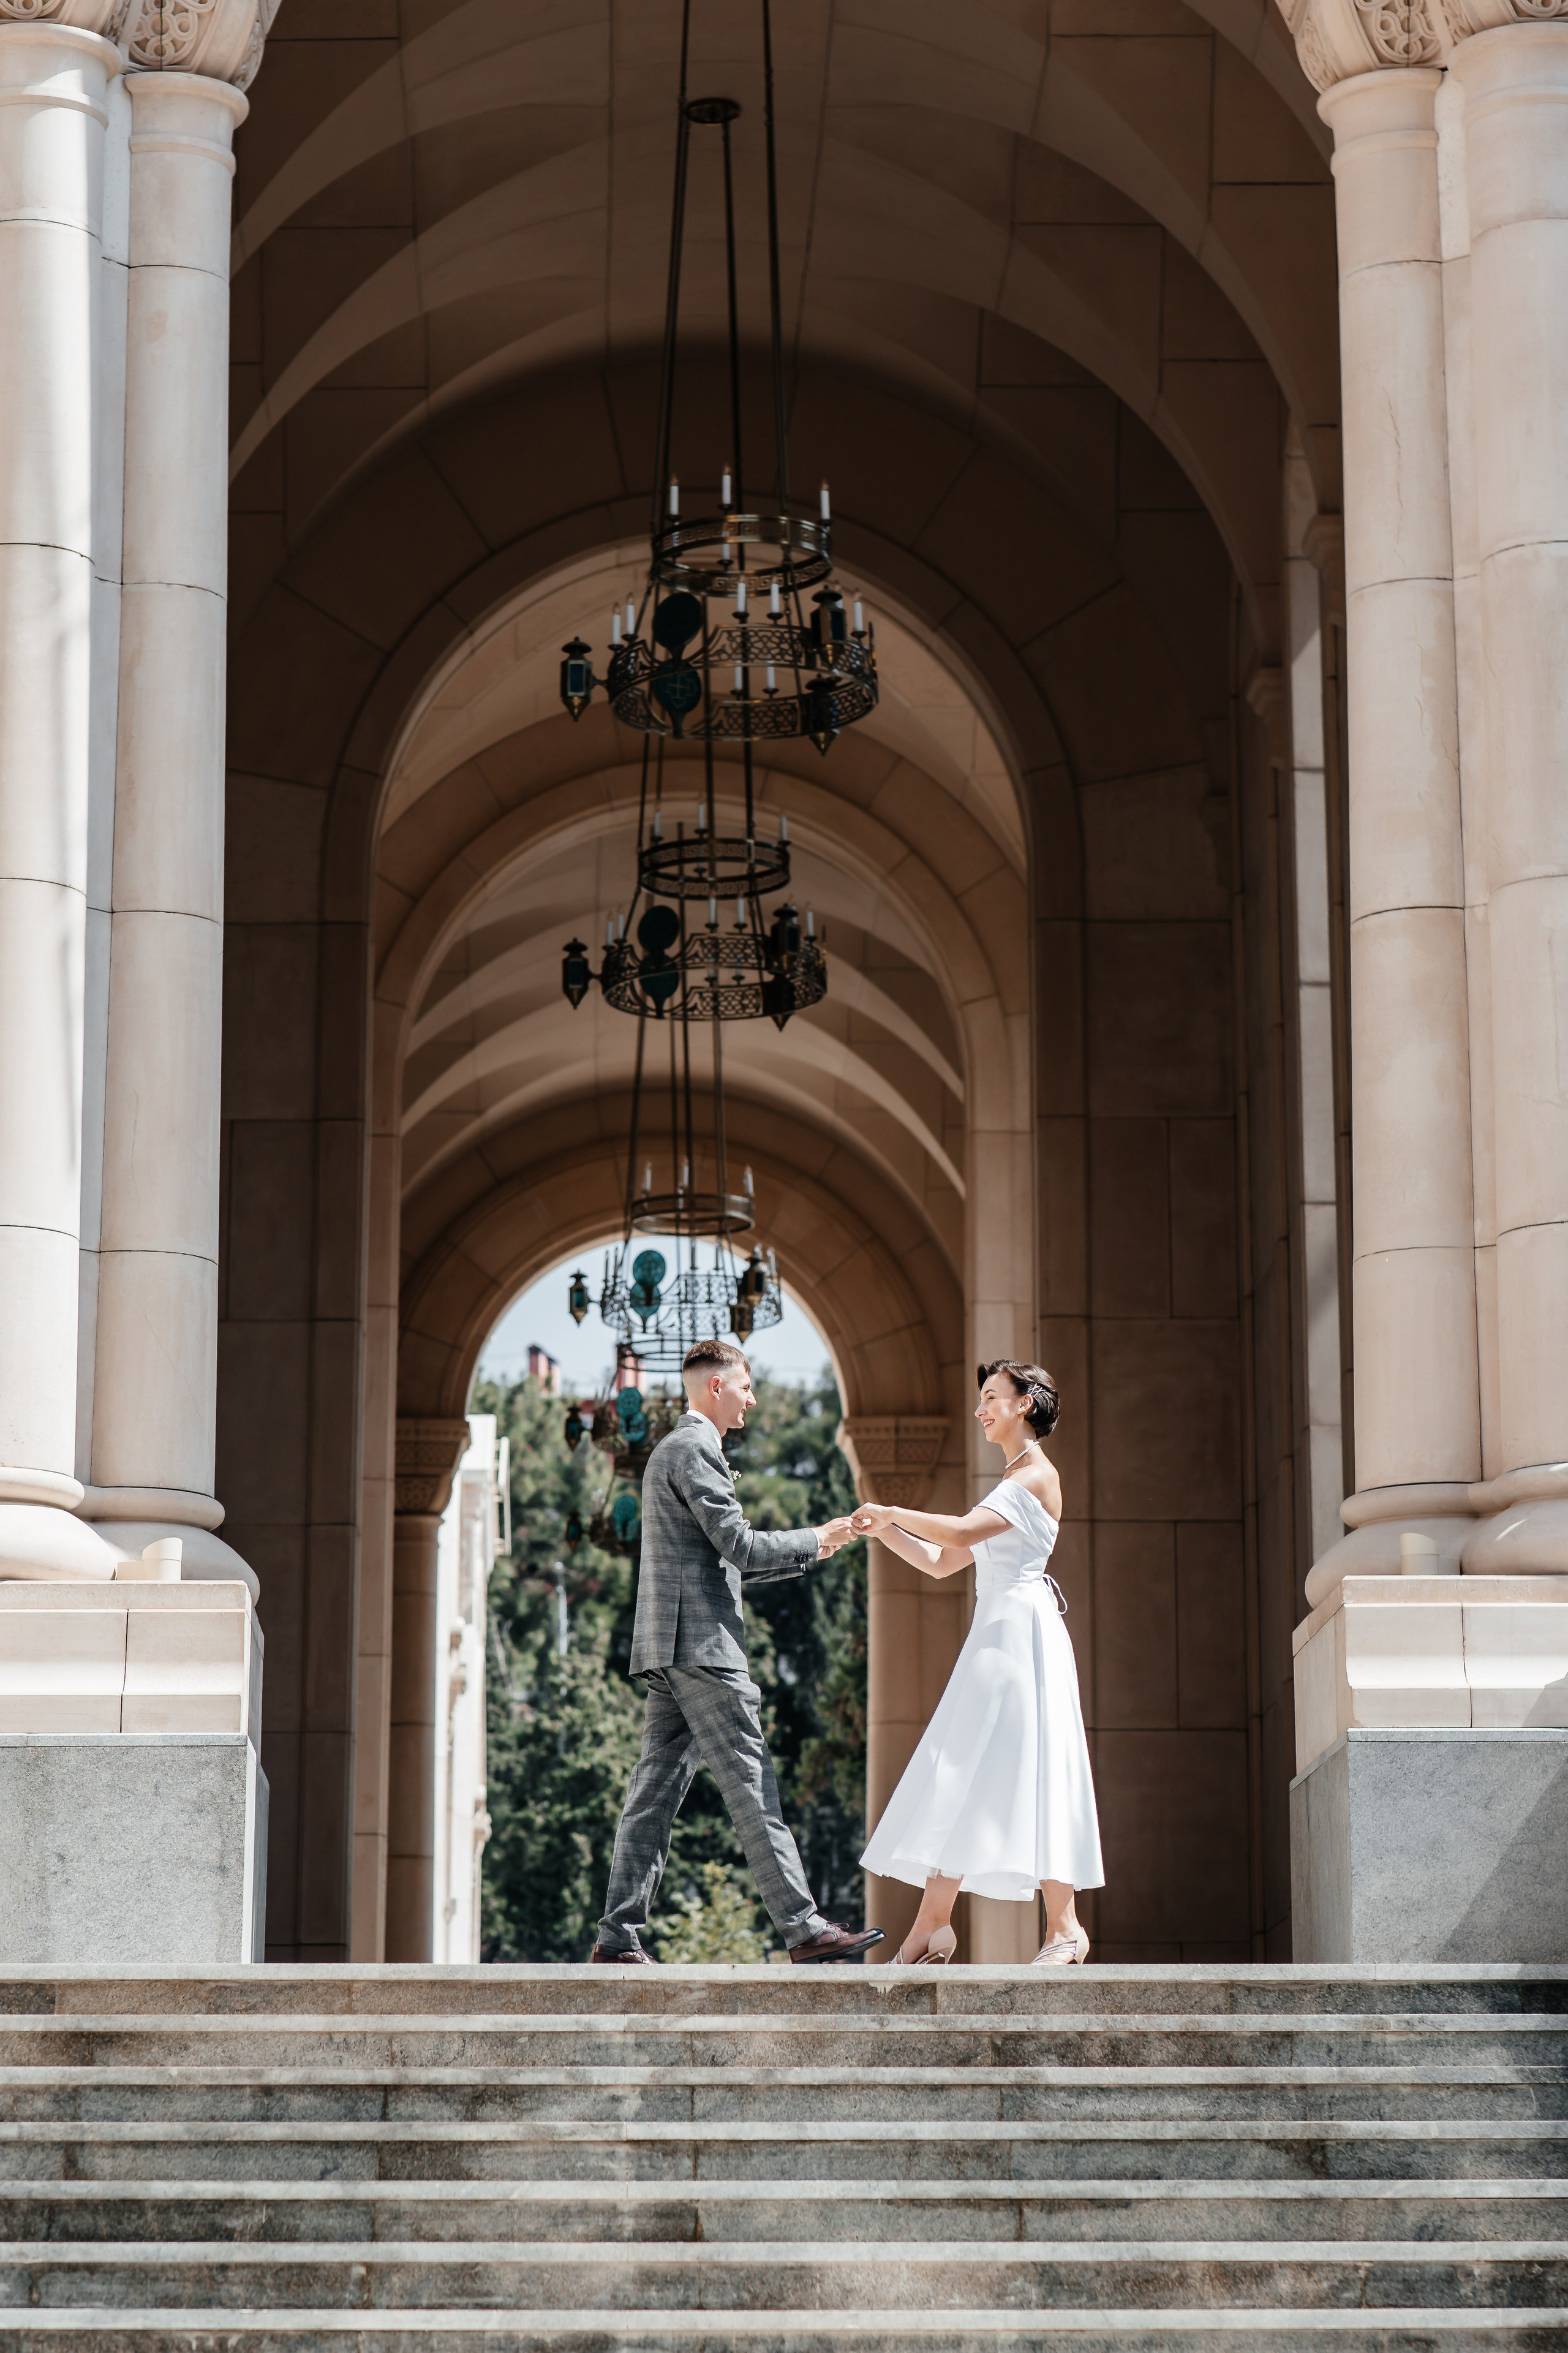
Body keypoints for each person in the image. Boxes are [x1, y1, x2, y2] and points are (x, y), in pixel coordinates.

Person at [592, 1336, 884, 1965]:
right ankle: (804, 1928)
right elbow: (743, 1547)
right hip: (702, 1646)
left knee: (652, 1797)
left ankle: (616, 1938)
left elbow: (725, 1559)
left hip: (672, 1646)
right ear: (717, 1386)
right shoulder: (695, 1448)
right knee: (752, 1785)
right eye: (746, 1387)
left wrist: (819, 1547)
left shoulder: (677, 1449)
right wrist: (816, 1536)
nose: (752, 1400)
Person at [853, 1359, 1103, 1965]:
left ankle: (1063, 1926)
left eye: (991, 1397)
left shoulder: (1034, 1475)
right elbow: (942, 1563)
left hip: (1020, 1635)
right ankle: (933, 1924)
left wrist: (893, 1511)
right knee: (964, 1765)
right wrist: (882, 1529)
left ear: (1025, 1403)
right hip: (999, 1633)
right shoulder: (1013, 1480)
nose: (980, 1409)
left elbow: (961, 1534)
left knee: (1019, 1766)